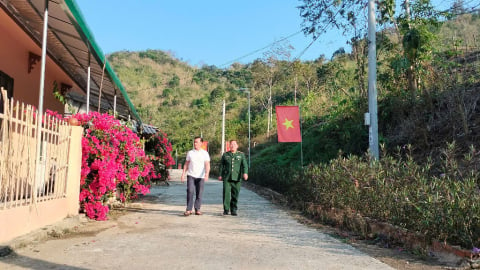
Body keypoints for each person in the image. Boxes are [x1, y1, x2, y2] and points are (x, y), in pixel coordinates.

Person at [181, 137, 210, 216]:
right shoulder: (190, 153)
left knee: (199, 193)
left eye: (197, 142)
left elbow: (207, 164)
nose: (195, 144)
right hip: (191, 175)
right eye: (194, 142)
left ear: (201, 143)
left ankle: (197, 209)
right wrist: (183, 173)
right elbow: (186, 163)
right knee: (190, 191)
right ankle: (189, 209)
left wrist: (207, 174)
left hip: (201, 176)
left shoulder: (205, 153)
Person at [218, 140, 248, 216]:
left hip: (237, 178)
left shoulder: (241, 155)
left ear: (237, 146)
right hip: (227, 178)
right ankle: (226, 209)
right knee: (226, 194)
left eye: (234, 144)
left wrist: (245, 173)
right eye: (231, 144)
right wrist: (220, 175)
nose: (232, 146)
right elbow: (221, 165)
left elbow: (244, 165)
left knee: (235, 194)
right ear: (229, 146)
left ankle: (234, 209)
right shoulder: (225, 155)